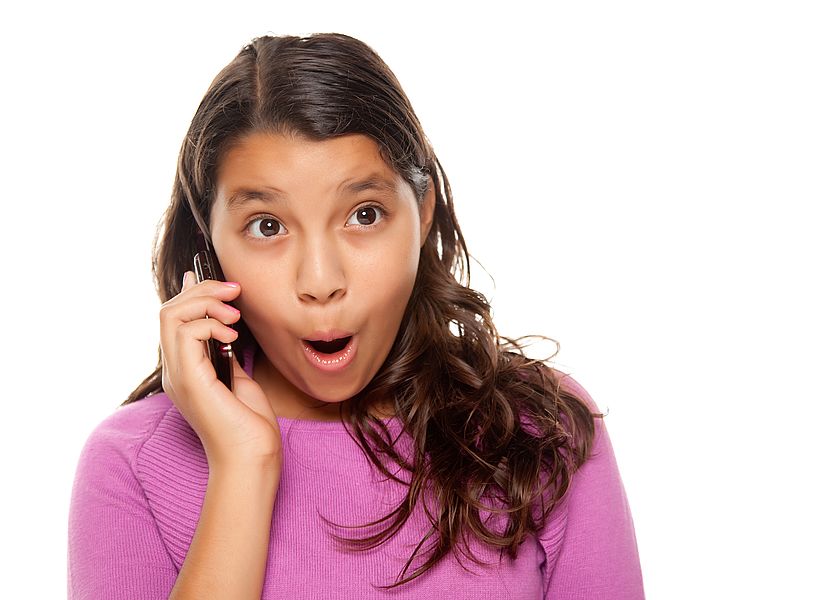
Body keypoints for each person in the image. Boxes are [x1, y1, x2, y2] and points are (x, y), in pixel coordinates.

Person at [67, 33, 645, 599]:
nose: (320, 282)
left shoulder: (540, 430)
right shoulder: (131, 466)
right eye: (267, 226)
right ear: (209, 247)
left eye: (364, 215)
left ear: (420, 214)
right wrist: (243, 466)